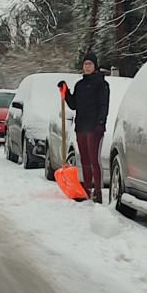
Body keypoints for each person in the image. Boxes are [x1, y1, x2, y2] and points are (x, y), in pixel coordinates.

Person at [58, 51, 110, 203]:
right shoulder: (80, 85)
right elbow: (74, 104)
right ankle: (87, 189)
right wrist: (66, 91)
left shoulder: (102, 84)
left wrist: (101, 124)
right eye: (85, 64)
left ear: (95, 66)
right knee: (85, 160)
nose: (87, 67)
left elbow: (103, 105)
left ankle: (98, 192)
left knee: (94, 160)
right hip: (81, 126)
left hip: (94, 127)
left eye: (90, 64)